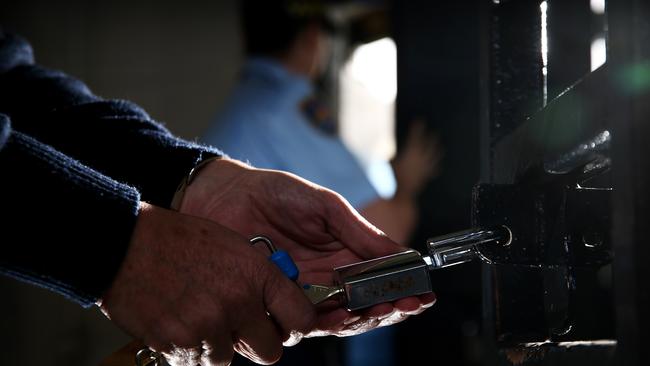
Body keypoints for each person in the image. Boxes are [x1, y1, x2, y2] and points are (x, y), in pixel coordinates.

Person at [0, 32, 435, 366]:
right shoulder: (286, 102)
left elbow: (13, 86)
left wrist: (187, 179)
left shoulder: (250, 95)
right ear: (313, 37)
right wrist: (121, 243)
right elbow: (388, 222)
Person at [203, 1, 439, 365]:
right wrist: (406, 184)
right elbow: (387, 232)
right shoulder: (288, 107)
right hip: (276, 337)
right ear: (313, 38)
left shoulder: (248, 102)